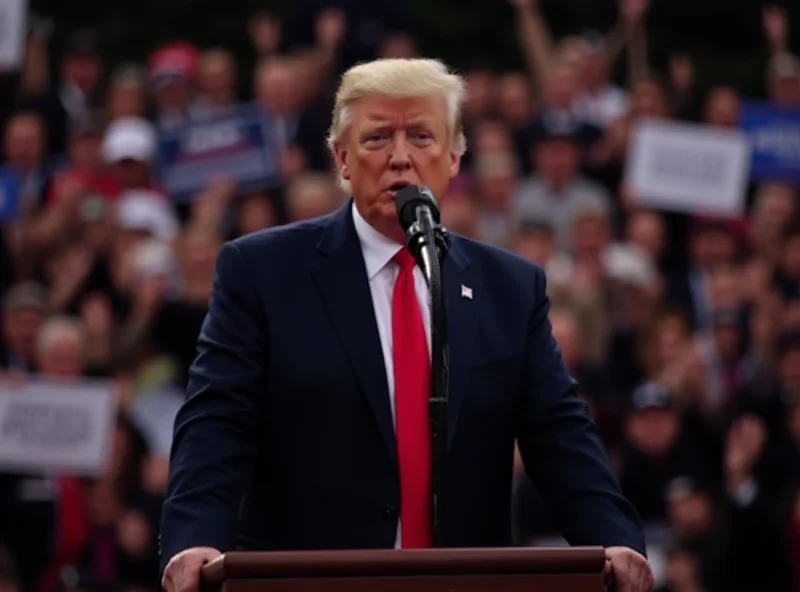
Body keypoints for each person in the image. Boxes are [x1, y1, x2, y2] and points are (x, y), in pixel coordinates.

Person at [160, 58, 654, 592]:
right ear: (342, 158)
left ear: (454, 158)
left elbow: (558, 432)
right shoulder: (261, 273)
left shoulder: (509, 288)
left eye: (421, 135)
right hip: (307, 581)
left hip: (462, 583)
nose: (400, 158)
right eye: (377, 138)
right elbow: (216, 423)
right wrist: (194, 538)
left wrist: (613, 536)